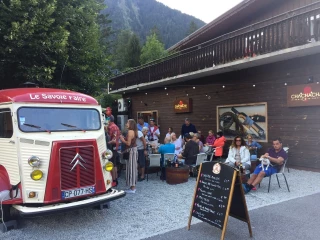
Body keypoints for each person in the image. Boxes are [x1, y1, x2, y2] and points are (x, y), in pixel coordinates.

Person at [119, 119, 138, 194]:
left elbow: (128, 143)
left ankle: (133, 188)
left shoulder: (130, 132)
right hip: (133, 151)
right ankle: (132, 186)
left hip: (132, 151)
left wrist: (122, 139)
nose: (126, 124)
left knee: (132, 168)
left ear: (131, 124)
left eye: (127, 122)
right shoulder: (134, 131)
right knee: (132, 168)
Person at [106, 115, 121, 187]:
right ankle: (116, 179)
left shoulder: (110, 127)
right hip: (116, 147)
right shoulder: (116, 126)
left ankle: (113, 180)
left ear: (109, 120)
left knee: (112, 164)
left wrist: (107, 143)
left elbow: (113, 140)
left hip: (111, 147)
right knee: (114, 164)